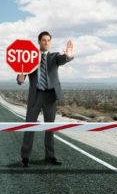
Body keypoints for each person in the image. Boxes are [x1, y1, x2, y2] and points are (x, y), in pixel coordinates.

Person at [16, 31, 74, 167]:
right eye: (43, 40)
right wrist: (20, 78)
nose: (46, 42)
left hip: (50, 96)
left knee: (50, 127)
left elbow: (63, 59)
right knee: (29, 126)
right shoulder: (30, 57)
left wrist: (69, 56)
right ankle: (25, 157)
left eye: (48, 40)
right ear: (39, 41)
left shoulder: (54, 57)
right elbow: (21, 77)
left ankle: (50, 156)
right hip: (35, 95)